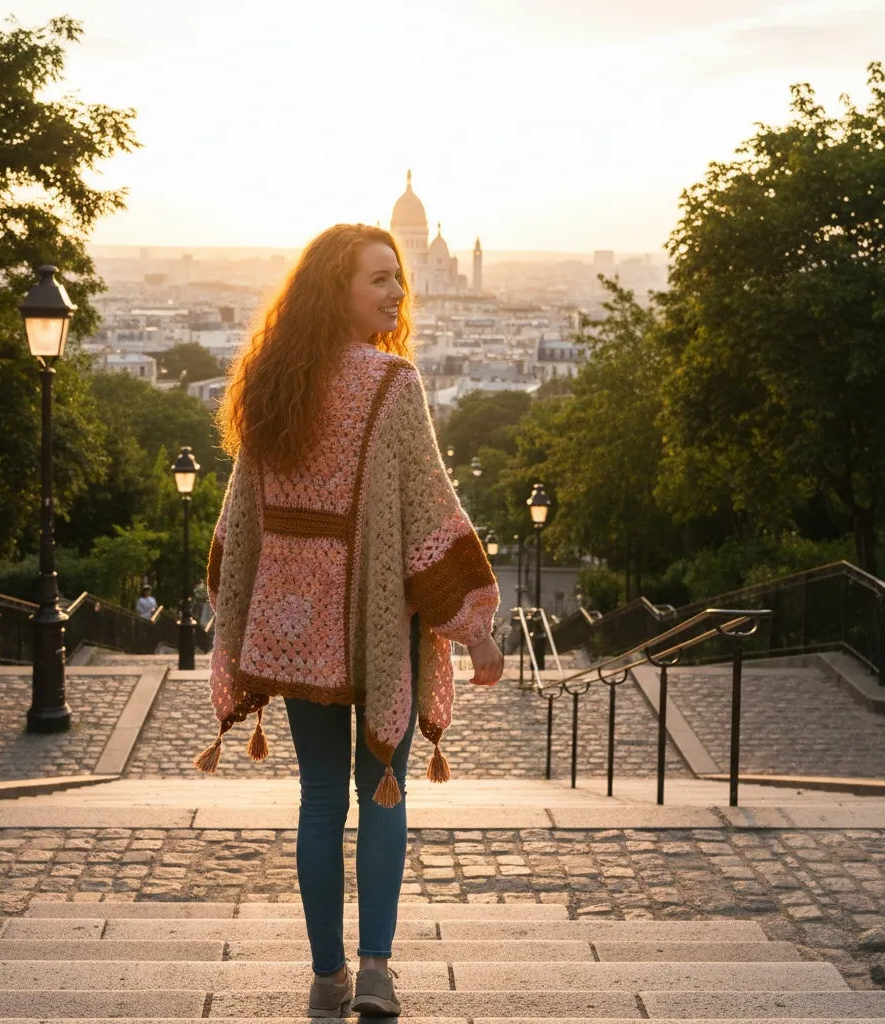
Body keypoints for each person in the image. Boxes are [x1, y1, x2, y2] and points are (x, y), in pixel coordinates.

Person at [196, 223, 504, 1018]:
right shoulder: (392, 384)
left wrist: (242, 604)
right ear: (339, 290)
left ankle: (326, 977)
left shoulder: (273, 382)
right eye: (379, 279)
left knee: (321, 797)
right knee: (382, 793)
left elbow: (241, 518)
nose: (397, 292)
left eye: (398, 276)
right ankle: (374, 971)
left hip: (294, 628)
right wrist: (475, 626)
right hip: (376, 621)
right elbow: (431, 514)